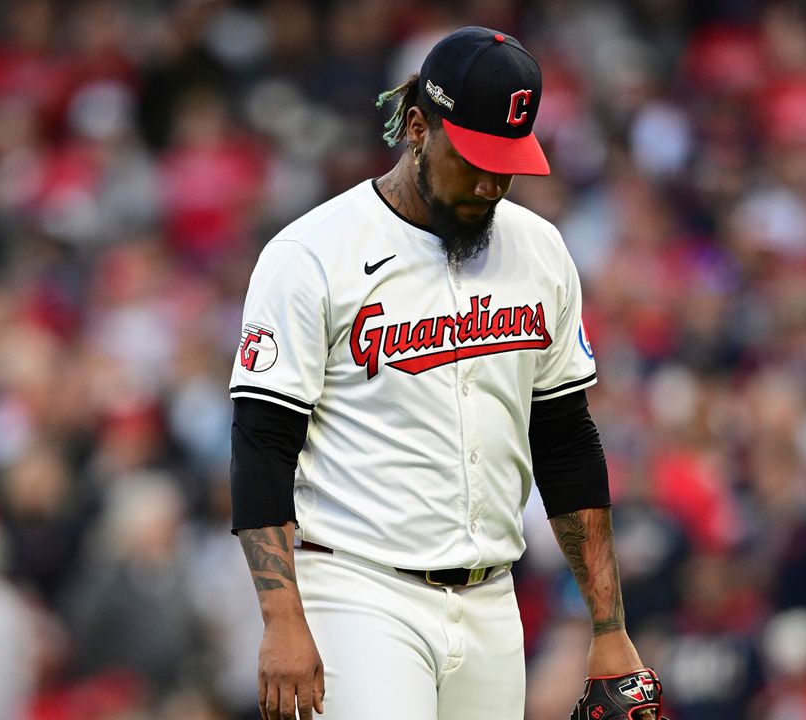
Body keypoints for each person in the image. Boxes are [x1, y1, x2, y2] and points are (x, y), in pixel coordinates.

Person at [228, 25, 662, 720]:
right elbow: (262, 443)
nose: (492, 181)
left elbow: (565, 441)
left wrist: (609, 630)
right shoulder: (312, 254)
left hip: (492, 601)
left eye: (508, 161)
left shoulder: (541, 252)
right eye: (475, 158)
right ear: (418, 127)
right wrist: (283, 619)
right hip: (358, 589)